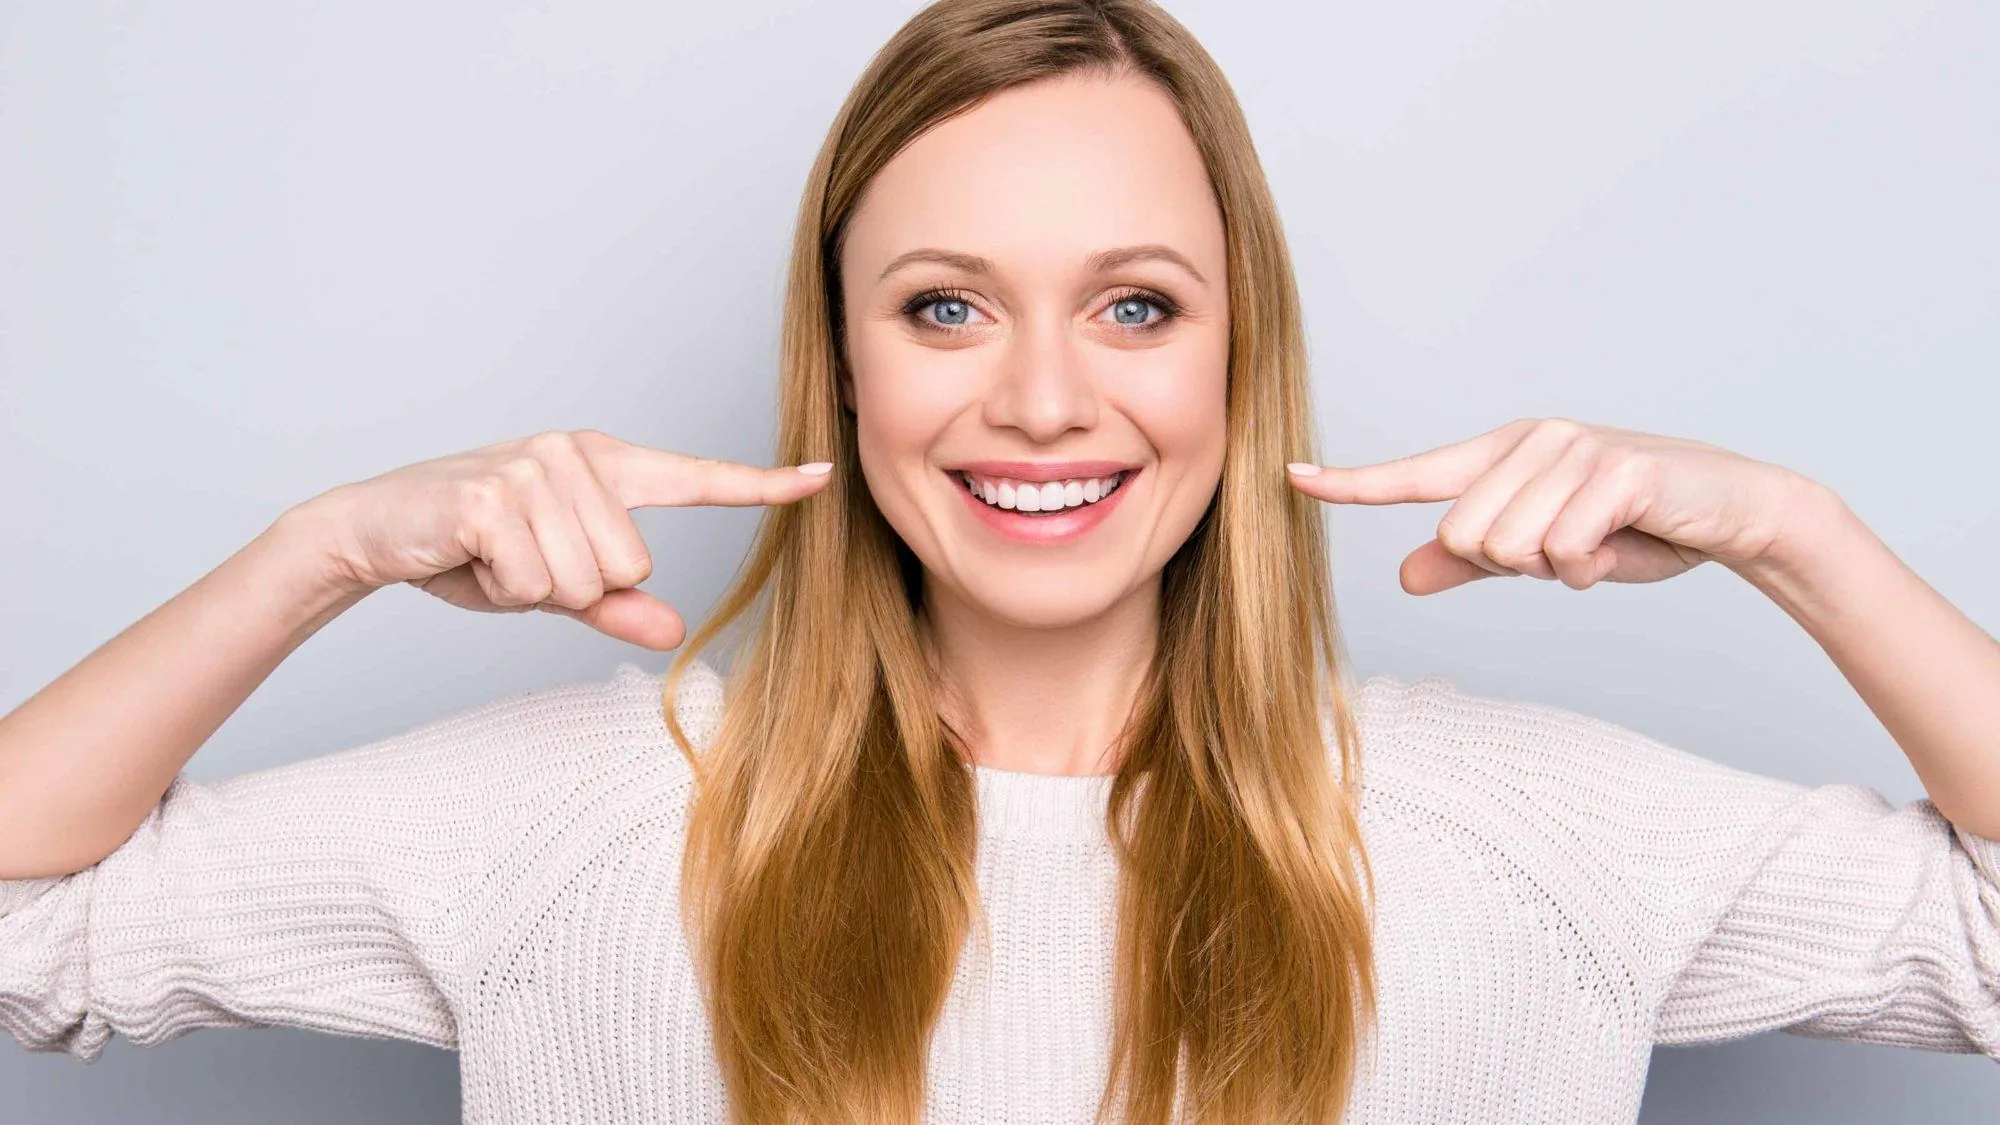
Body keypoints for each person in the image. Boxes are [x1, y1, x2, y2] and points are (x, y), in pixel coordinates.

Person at [4, 0, 1996, 1121]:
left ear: (1238, 355)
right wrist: (320, 553)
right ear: (846, 360)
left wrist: (1796, 536)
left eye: (1136, 306)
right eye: (946, 307)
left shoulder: (1524, 831)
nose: (1043, 400)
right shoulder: (581, 816)